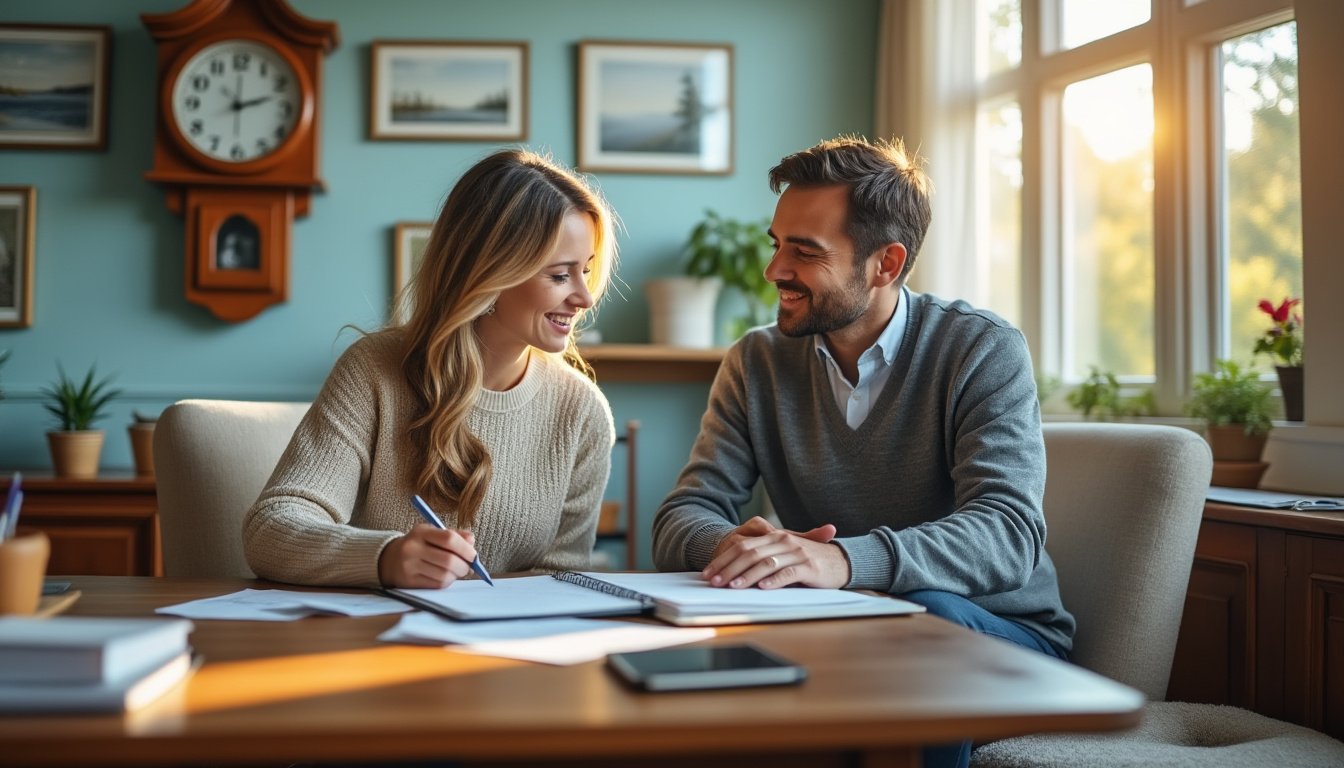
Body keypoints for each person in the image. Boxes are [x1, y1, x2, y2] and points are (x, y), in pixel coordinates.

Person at [650, 136, 1074, 768]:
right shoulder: (756, 362)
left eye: (805, 251)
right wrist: (747, 552)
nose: (774, 271)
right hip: (837, 631)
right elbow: (682, 516)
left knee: (920, 621)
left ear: (887, 263)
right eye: (777, 244)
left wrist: (841, 561)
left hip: (993, 639)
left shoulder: (980, 350)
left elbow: (1009, 535)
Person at [244, 149, 618, 589]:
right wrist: (385, 558)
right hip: (378, 643)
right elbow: (271, 529)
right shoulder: (373, 372)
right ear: (490, 274)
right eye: (559, 276)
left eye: (586, 271)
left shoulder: (582, 411)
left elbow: (562, 580)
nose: (585, 297)